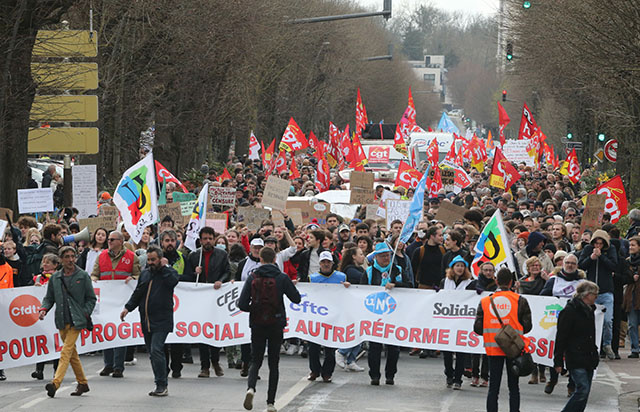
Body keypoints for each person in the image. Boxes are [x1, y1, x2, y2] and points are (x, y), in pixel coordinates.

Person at [238, 247, 301, 412]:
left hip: (257, 323)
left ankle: (251, 388)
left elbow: (242, 304)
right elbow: (297, 299)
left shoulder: (252, 277)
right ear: (274, 259)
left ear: (260, 259)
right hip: (276, 323)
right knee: (274, 363)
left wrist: (255, 308)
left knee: (255, 360)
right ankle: (270, 403)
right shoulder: (281, 277)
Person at [120, 246, 179, 396]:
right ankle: (161, 376)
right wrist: (128, 307)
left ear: (160, 259)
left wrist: (164, 268)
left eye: (154, 259)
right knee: (153, 354)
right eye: (149, 259)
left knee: (156, 349)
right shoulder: (145, 274)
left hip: (162, 320)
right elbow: (138, 292)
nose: (151, 262)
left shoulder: (168, 272)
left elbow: (173, 281)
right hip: (146, 319)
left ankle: (161, 384)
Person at [39, 246, 96, 398]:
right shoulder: (56, 278)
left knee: (65, 351)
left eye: (73, 256)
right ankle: (83, 383)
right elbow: (49, 297)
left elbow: (91, 298)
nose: (71, 260)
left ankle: (55, 383)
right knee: (72, 354)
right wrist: (44, 309)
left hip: (77, 320)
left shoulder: (83, 276)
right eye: (67, 257)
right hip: (62, 319)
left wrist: (85, 313)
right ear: (61, 260)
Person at [474, 268, 532, 412]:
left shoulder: (485, 301)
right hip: (513, 348)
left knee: (493, 387)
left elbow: (478, 328)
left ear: (496, 281)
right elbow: (527, 326)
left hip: (493, 348)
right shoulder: (520, 300)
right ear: (511, 282)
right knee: (514, 387)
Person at [92, 230, 141, 378]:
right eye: (109, 239)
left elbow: (139, 275)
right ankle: (108, 365)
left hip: (122, 300)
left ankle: (118, 367)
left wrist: (132, 277)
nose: (109, 242)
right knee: (107, 331)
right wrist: (94, 279)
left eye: (112, 239)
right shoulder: (101, 256)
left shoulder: (132, 257)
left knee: (120, 332)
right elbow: (95, 273)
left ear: (120, 241)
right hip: (106, 300)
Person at [360, 242, 411, 386]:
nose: (386, 258)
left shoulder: (398, 270)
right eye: (382, 256)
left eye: (388, 255)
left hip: (394, 313)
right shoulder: (369, 272)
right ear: (376, 257)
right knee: (374, 347)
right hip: (374, 314)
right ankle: (374, 375)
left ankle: (390, 375)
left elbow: (409, 286)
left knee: (393, 348)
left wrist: (396, 285)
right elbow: (361, 291)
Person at [183, 226, 230, 378]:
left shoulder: (222, 254)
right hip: (201, 297)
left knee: (214, 330)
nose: (208, 241)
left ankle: (215, 361)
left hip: (215, 296)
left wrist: (220, 281)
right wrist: (194, 272)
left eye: (210, 238)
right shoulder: (194, 255)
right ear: (200, 240)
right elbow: (188, 277)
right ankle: (204, 366)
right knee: (203, 332)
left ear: (214, 239)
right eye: (205, 238)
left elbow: (227, 272)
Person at [554, 281, 600, 412]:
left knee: (584, 394)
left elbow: (592, 335)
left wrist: (595, 353)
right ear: (587, 295)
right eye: (594, 295)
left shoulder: (590, 310)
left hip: (589, 356)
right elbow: (561, 337)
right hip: (575, 356)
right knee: (582, 390)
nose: (596, 297)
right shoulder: (569, 311)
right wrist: (558, 360)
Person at [307, 251, 350, 382]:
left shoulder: (341, 277)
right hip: (316, 316)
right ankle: (314, 370)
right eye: (323, 262)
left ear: (332, 263)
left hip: (333, 316)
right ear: (319, 264)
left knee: (330, 348)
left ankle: (327, 372)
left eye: (328, 262)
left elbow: (348, 295)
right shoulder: (312, 278)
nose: (326, 264)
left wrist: (348, 287)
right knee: (313, 347)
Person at [578, 229, 617, 359]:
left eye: (601, 243)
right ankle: (591, 346)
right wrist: (591, 258)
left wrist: (602, 257)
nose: (598, 246)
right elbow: (581, 265)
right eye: (596, 243)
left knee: (607, 320)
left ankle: (607, 344)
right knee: (590, 321)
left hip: (606, 291)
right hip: (590, 292)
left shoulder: (610, 250)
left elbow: (613, 266)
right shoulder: (588, 250)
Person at [440, 255, 476, 390]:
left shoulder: (470, 283)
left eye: (462, 266)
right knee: (447, 351)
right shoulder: (445, 281)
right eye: (457, 266)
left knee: (460, 350)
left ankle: (458, 378)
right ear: (452, 268)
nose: (460, 268)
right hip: (447, 320)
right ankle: (449, 373)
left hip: (462, 321)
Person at [335, 247, 366, 372]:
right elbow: (364, 278)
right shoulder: (351, 270)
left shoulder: (359, 269)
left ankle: (351, 360)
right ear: (353, 256)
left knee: (361, 332)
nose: (363, 256)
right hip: (352, 306)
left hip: (359, 305)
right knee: (355, 330)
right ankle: (342, 351)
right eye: (360, 254)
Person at [623, 236, 640, 358]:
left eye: (633, 245)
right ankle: (635, 348)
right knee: (632, 324)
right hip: (631, 296)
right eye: (630, 245)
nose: (631, 247)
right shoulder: (627, 261)